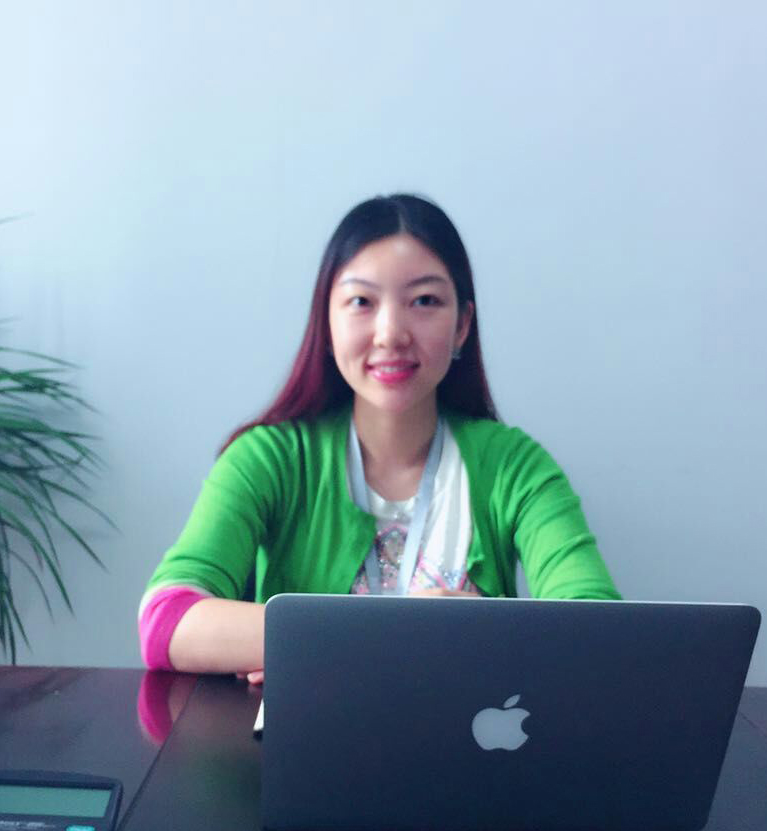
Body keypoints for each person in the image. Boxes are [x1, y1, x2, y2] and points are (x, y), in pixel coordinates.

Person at [139, 193, 620, 681]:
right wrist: (401, 636)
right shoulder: (269, 458)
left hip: (462, 729)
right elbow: (165, 620)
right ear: (327, 324)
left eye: (425, 301)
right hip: (310, 731)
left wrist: (303, 646)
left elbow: (602, 635)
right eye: (362, 302)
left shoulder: (514, 466)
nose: (391, 333)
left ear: (462, 325)